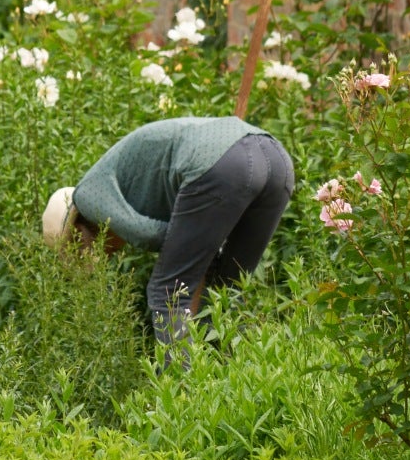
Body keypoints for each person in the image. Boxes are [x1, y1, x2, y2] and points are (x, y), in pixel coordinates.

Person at [43, 115, 293, 348]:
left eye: (82, 252)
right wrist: (200, 243)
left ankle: (185, 391)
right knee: (226, 289)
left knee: (169, 292)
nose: (106, 257)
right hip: (276, 159)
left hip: (225, 163)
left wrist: (192, 241)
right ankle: (227, 380)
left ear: (78, 235)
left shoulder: (86, 195)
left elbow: (145, 233)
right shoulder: (123, 185)